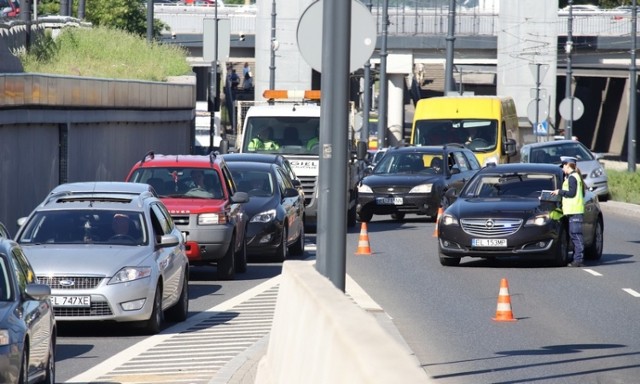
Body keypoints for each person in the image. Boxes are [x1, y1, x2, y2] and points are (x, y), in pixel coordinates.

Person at [551, 156, 585, 267]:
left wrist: (559, 191)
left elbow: (572, 193)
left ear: (567, 165)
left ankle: (578, 260)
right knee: (574, 235)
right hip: (572, 211)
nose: (562, 169)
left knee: (576, 235)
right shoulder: (573, 176)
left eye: (563, 166)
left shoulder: (572, 177)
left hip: (575, 211)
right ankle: (577, 258)